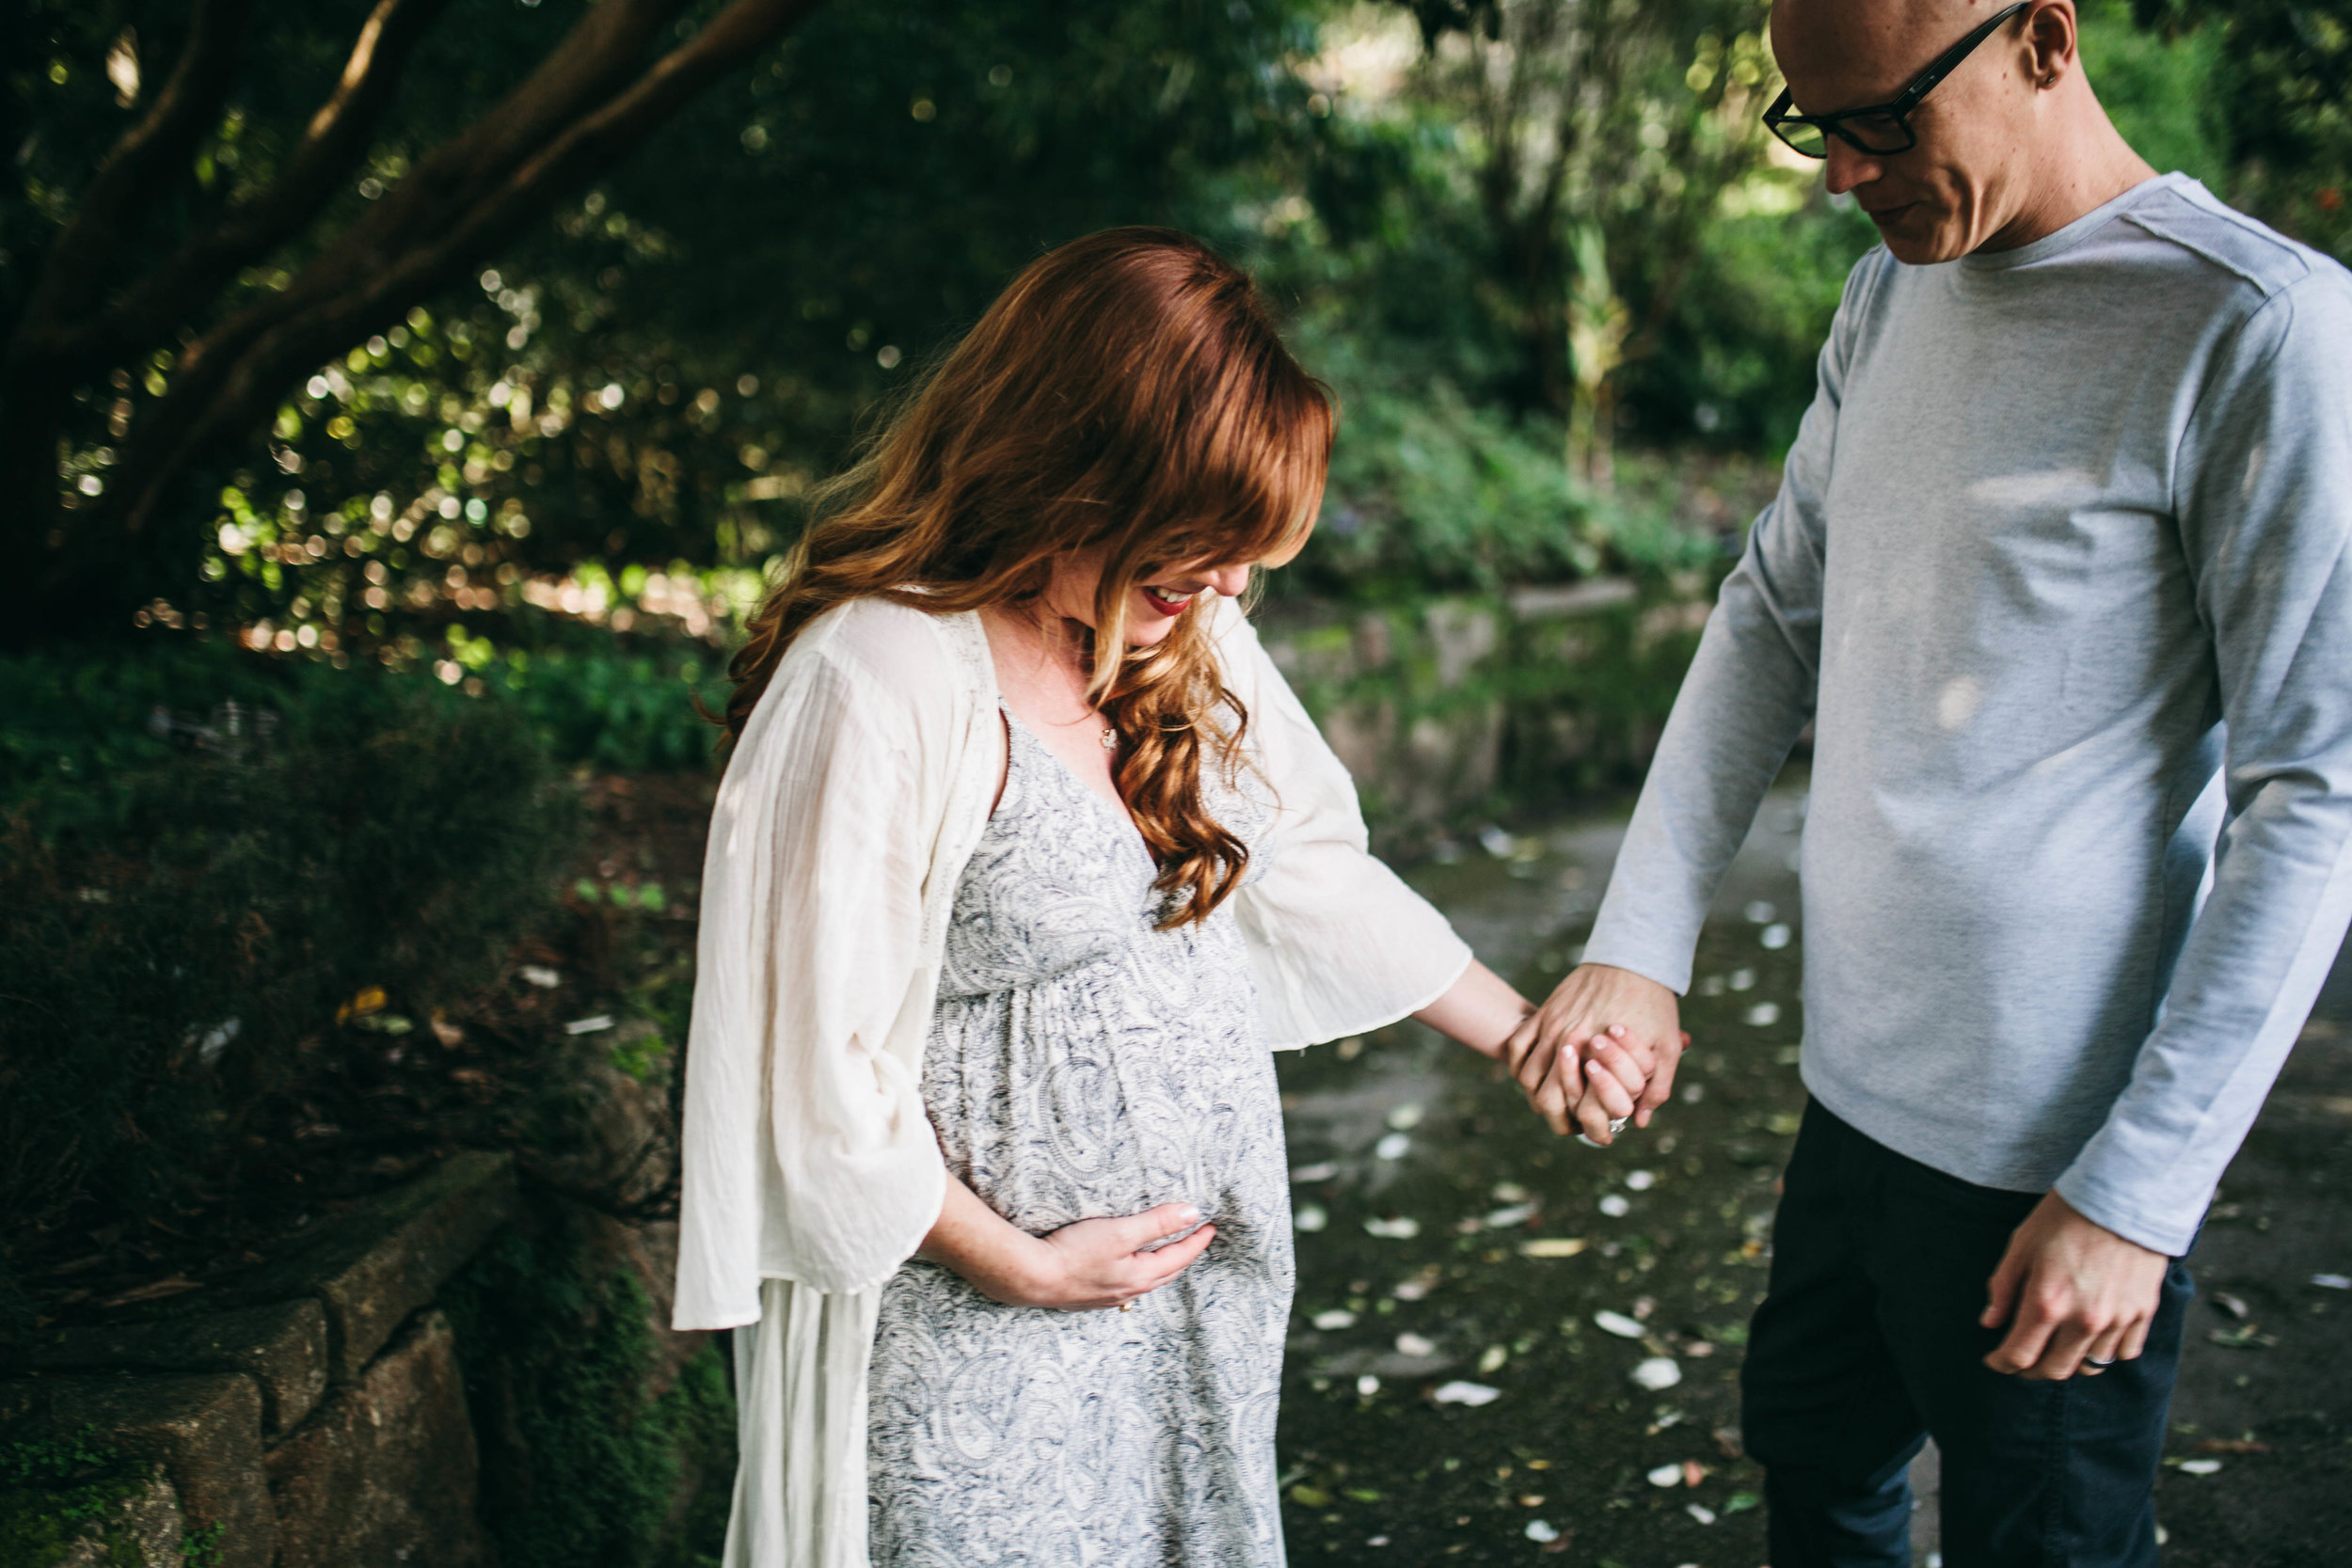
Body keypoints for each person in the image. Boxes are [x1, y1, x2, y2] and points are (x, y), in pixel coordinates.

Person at [1503, 2, 2352, 1563]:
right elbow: (1771, 609)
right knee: (1819, 1479)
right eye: (1812, 124)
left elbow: (2317, 794)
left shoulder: (2262, 327)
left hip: (2052, 1157)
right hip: (1852, 1095)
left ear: (2043, 39)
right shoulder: (1892, 292)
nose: (1841, 174)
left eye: (1881, 119)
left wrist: (2137, 1199)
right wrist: (1639, 940)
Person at [670, 228, 1648, 1568]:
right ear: (1065, 480)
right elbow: (809, 1060)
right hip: (974, 1330)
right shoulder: (880, 673)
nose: (1233, 591)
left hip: (1188, 1318)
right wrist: (1020, 1263)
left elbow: (1302, 868)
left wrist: (1524, 1032)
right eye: (1193, 553)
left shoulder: (1171, 626)